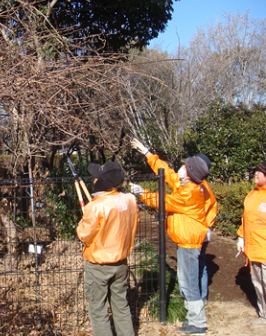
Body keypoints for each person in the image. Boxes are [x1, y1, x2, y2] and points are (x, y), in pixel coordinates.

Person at [130, 138, 209, 335]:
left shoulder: (190, 193)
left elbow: (164, 201)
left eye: (184, 166)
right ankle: (194, 316)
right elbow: (169, 175)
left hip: (189, 243)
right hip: (187, 241)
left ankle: (198, 322)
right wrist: (148, 154)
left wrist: (141, 193)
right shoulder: (188, 185)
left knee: (188, 283)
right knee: (187, 280)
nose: (180, 168)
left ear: (190, 174)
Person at [76, 161, 139, 336]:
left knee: (98, 310)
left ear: (102, 181)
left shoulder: (95, 206)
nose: (94, 178)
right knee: (121, 306)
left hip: (99, 265)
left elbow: (85, 236)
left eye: (97, 176)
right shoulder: (130, 200)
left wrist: (81, 225)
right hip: (121, 262)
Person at [237, 161, 266, 328]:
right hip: (254, 250)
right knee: (258, 284)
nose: (256, 173)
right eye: (256, 170)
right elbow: (246, 219)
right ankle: (264, 315)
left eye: (260, 172)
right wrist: (241, 237)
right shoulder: (252, 194)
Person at [195, 153, 217, 308]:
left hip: (197, 233)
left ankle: (198, 298)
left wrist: (202, 227)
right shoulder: (203, 184)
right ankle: (201, 297)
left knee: (197, 265)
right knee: (200, 264)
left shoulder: (200, 186)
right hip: (202, 231)